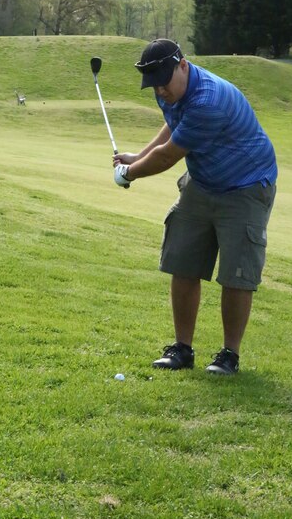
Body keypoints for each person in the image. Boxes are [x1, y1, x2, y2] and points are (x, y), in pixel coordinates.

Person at [113, 39, 277, 375]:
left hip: (246, 186)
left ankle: (229, 355)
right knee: (183, 262)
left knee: (236, 275)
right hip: (203, 182)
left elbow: (169, 156)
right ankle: (182, 350)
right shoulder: (172, 91)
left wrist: (128, 173)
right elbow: (171, 127)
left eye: (164, 81)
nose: (160, 91)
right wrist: (137, 155)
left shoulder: (208, 100)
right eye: (154, 85)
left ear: (183, 65)